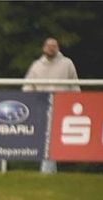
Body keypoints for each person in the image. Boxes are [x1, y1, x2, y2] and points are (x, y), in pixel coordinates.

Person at [24, 37, 80, 174]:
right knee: (46, 139)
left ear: (58, 48)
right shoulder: (36, 66)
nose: (51, 48)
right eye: (48, 46)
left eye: (54, 46)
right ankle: (48, 170)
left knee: (53, 139)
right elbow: (27, 87)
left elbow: (74, 85)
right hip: (42, 106)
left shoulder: (67, 64)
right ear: (44, 48)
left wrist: (76, 102)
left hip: (62, 105)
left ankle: (48, 170)